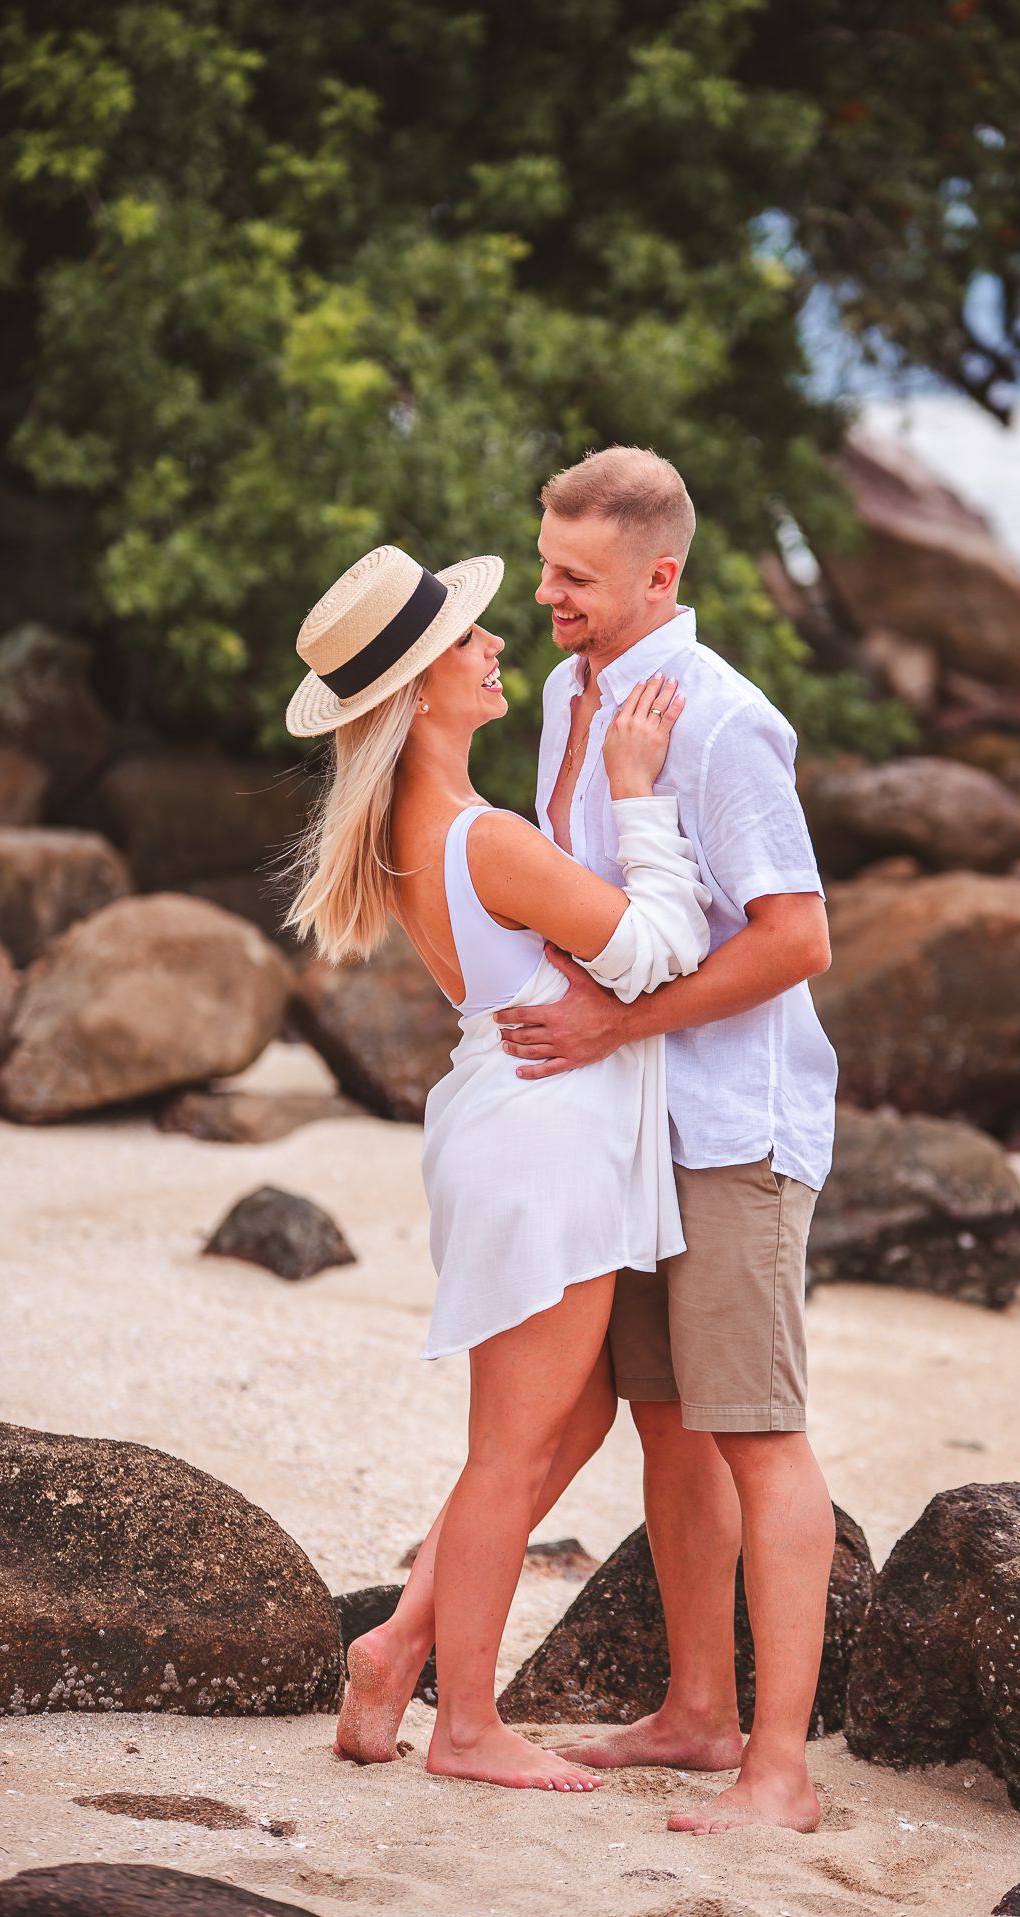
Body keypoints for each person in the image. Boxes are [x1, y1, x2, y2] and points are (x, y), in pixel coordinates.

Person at [281, 540, 711, 1793]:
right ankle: (464, 1724)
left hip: (517, 1126)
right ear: (419, 691)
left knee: (566, 1418)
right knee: (508, 1451)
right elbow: (658, 958)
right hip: (544, 1140)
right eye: (464, 642)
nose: (491, 646)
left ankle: (400, 1644)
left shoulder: (428, 828)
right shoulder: (488, 839)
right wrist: (634, 795)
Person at [496, 446, 839, 1835]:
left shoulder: (722, 719)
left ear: (660, 576)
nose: (547, 593)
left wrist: (616, 1029)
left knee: (758, 1433)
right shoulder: (577, 698)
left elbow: (797, 939)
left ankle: (782, 1771)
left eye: (572, 576)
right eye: (543, 563)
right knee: (670, 1423)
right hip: (629, 1127)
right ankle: (699, 1714)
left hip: (734, 1128)